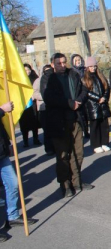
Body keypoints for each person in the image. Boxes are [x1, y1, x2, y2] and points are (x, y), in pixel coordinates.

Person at [42, 53, 94, 198]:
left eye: (64, 62)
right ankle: (65, 185)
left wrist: (78, 101)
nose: (62, 65)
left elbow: (84, 90)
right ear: (53, 64)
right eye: (59, 63)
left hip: (75, 119)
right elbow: (48, 98)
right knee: (63, 155)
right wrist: (69, 103)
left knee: (78, 152)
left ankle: (77, 182)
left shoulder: (73, 74)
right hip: (59, 122)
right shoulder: (48, 78)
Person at [0, 101, 39, 239]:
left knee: (13, 183)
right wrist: (1, 110)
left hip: (1, 153)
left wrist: (7, 144)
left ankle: (12, 216)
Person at [81, 57, 111, 154]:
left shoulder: (100, 76)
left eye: (94, 66)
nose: (93, 68)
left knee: (104, 125)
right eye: (91, 66)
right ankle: (96, 144)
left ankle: (104, 142)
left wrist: (105, 97)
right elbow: (87, 92)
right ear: (87, 67)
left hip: (103, 104)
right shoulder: (85, 79)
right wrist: (98, 98)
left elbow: (107, 87)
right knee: (95, 126)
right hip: (93, 105)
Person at [32, 64, 55, 155]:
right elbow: (35, 93)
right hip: (43, 107)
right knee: (47, 129)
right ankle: (48, 148)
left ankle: (55, 147)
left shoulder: (55, 79)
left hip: (54, 107)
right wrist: (46, 97)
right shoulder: (38, 80)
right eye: (46, 70)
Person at [20, 64, 41, 148]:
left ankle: (35, 139)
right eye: (25, 70)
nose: (27, 72)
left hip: (33, 103)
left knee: (34, 122)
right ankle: (25, 141)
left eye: (28, 70)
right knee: (24, 124)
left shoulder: (34, 78)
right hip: (23, 105)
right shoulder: (20, 79)